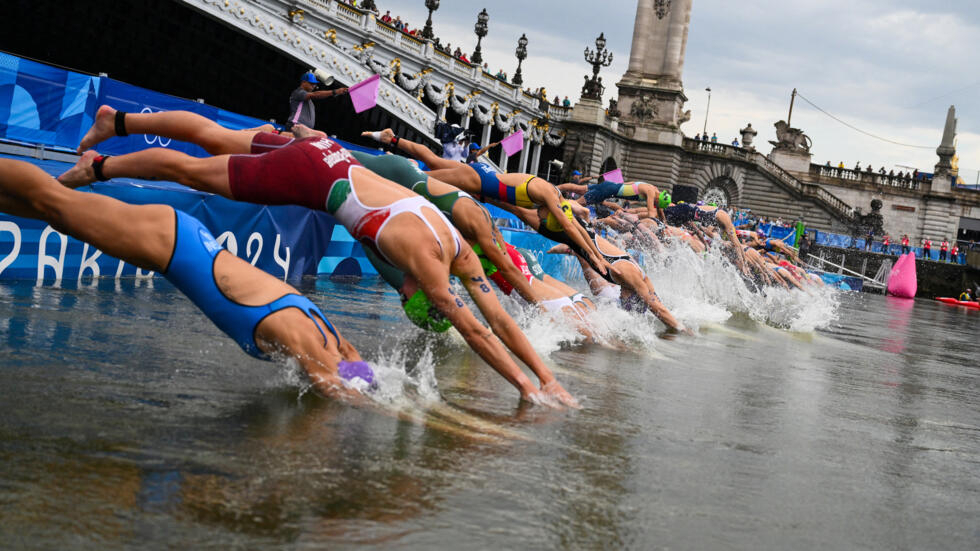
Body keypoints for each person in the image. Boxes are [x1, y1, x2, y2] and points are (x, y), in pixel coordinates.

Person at [62, 106, 578, 407]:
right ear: (419, 291)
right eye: (414, 301)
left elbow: (498, 322)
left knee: (215, 138)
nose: (406, 295)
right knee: (193, 173)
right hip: (312, 174)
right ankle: (99, 167)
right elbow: (480, 331)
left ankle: (120, 120)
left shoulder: (458, 248)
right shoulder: (428, 268)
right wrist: (528, 392)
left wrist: (548, 377)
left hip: (331, 153)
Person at [0, 158, 372, 399]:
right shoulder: (307, 341)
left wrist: (386, 395)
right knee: (55, 201)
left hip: (179, 239)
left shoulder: (335, 340)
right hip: (169, 244)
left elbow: (357, 369)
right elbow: (332, 390)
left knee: (55, 212)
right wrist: (389, 416)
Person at [362, 128, 609, 277]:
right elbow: (568, 227)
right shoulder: (547, 196)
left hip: (483, 178)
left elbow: (575, 227)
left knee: (434, 161)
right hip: (477, 180)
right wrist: (593, 255)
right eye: (544, 219)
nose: (540, 219)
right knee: (420, 177)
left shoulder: (555, 199)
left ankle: (392, 140)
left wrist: (595, 254)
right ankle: (394, 165)